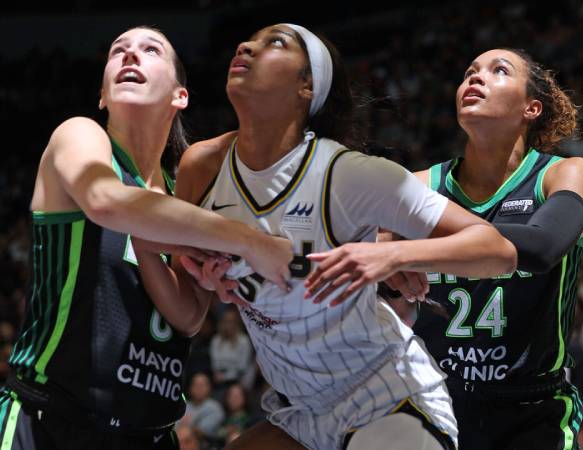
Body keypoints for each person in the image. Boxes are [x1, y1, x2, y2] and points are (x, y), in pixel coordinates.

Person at [135, 23, 517, 450]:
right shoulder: (201, 166)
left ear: (307, 86)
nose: (245, 46)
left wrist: (392, 257)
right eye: (251, 40)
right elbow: (187, 314)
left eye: (274, 42)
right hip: (298, 410)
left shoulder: (348, 174)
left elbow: (497, 249)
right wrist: (150, 243)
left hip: (384, 393)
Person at [0, 26, 292, 450]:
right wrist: (247, 240)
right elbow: (105, 200)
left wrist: (164, 246)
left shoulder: (183, 198)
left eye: (150, 50)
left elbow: (188, 317)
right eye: (118, 50)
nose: (130, 55)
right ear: (102, 95)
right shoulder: (81, 136)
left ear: (180, 95)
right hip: (48, 423)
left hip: (148, 435)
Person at [380, 48, 583, 450]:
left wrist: (403, 251)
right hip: (435, 400)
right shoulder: (419, 185)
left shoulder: (565, 174)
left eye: (498, 70)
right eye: (468, 72)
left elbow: (544, 246)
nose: (474, 78)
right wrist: (383, 265)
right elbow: (375, 271)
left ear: (531, 107)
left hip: (531, 410)